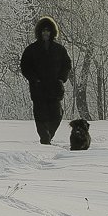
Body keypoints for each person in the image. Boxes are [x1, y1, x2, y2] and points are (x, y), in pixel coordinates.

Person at [20, 16, 72, 145]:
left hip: (55, 87)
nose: (45, 33)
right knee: (40, 115)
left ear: (52, 32)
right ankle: (44, 138)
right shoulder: (31, 50)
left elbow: (67, 65)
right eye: (43, 30)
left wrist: (61, 79)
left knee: (57, 115)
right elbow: (25, 66)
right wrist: (34, 79)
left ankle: (49, 135)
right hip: (38, 88)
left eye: (48, 30)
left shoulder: (59, 49)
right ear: (39, 32)